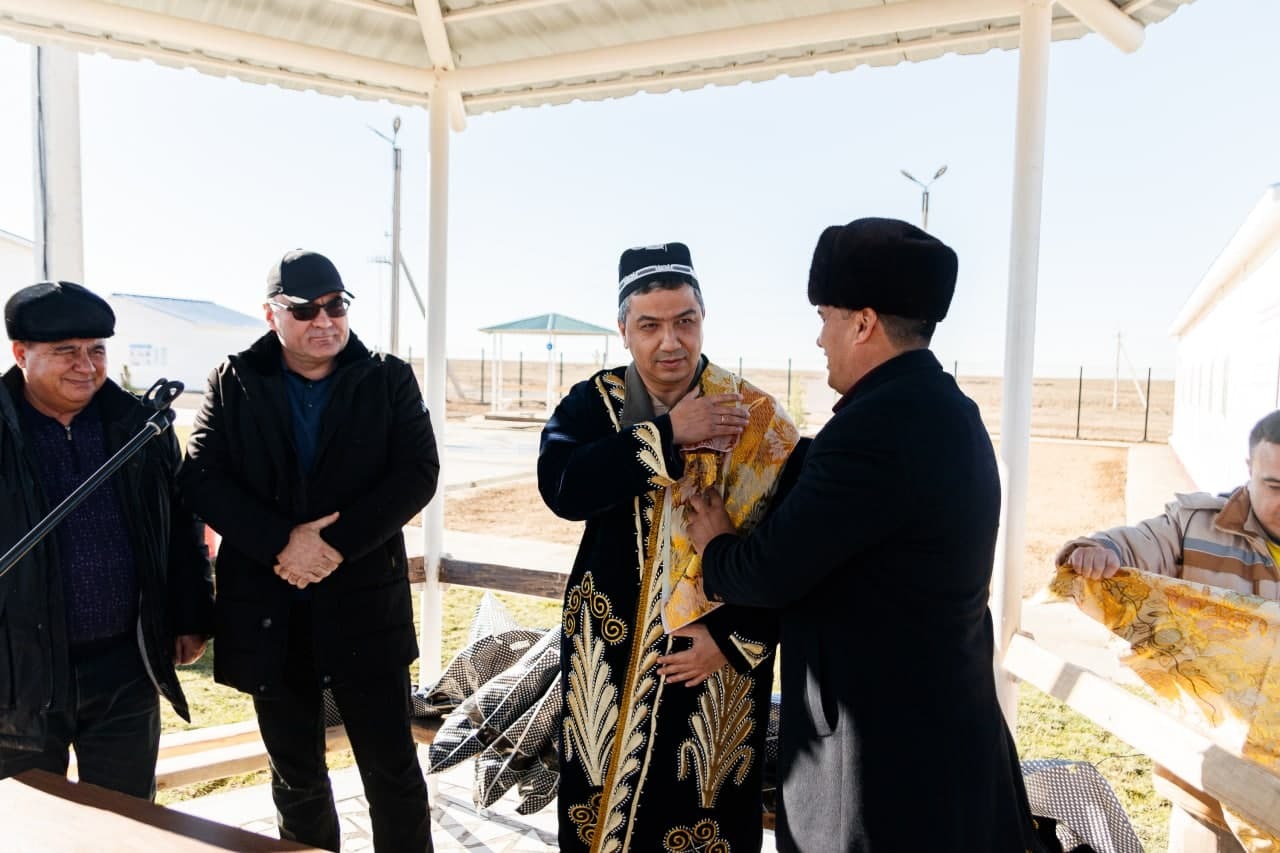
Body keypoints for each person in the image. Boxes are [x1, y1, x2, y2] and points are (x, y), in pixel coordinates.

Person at [684, 218, 1046, 852]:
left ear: (863, 323)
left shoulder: (874, 429)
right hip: (943, 743)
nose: (819, 337)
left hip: (882, 770)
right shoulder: (948, 410)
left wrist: (716, 542)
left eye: (826, 316)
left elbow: (771, 571)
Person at [538, 242, 798, 853]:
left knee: (698, 816)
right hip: (606, 658)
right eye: (650, 325)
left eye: (685, 321)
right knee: (598, 818)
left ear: (704, 319)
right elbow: (562, 487)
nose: (670, 342)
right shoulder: (592, 404)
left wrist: (732, 639)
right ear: (624, 330)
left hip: (708, 666)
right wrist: (667, 435)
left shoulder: (759, 419)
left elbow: (788, 556)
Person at [178, 250, 438, 852]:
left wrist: (331, 546)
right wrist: (284, 543)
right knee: (296, 778)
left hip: (365, 609)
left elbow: (417, 473)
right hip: (273, 612)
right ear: (272, 314)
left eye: (336, 305)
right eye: (305, 310)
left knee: (392, 771)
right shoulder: (233, 380)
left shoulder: (387, 377)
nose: (324, 320)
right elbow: (202, 479)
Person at [0, 281, 213, 799]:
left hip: (125, 665)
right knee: (26, 821)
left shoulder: (139, 427)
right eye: (66, 352)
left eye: (96, 350)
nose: (86, 366)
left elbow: (178, 524)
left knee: (126, 816)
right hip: (15, 671)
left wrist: (190, 614)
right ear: (21, 354)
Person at [1057, 408, 1280, 595]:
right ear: (1250, 469)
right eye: (1275, 487)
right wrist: (1095, 552)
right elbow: (1129, 548)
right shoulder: (1192, 528)